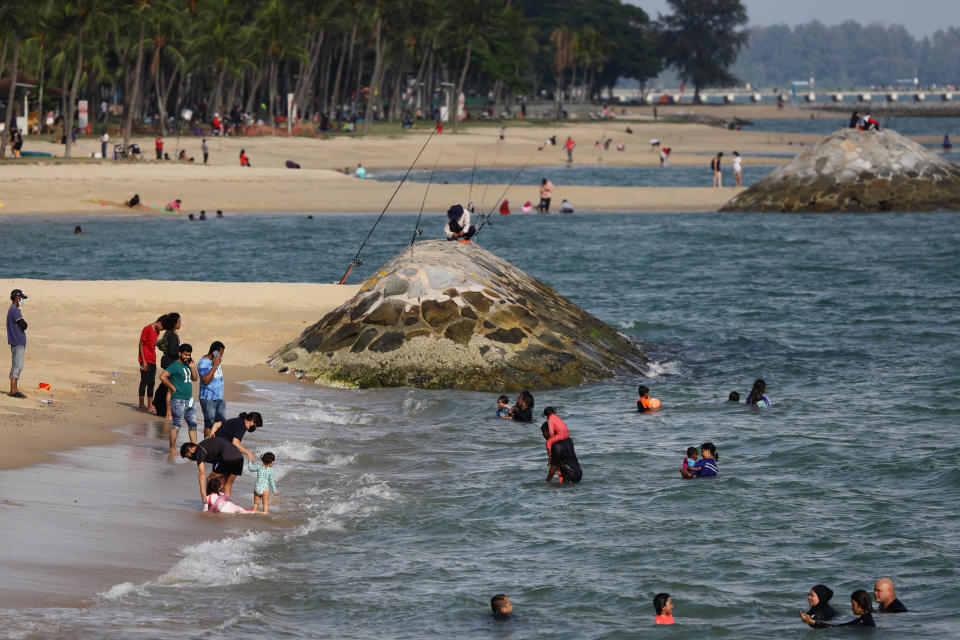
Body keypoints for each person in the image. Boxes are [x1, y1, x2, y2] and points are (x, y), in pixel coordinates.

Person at [181, 437, 253, 507]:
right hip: (239, 458)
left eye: (189, 456)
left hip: (227, 458)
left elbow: (202, 473)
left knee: (209, 479)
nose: (191, 458)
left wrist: (203, 494)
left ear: (191, 449)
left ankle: (208, 504)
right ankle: (226, 506)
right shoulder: (206, 446)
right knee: (227, 485)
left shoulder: (199, 450)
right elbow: (216, 459)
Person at [159, 344, 199, 454]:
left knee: (193, 424)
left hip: (189, 400)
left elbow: (195, 378)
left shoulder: (187, 366)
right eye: (185, 354)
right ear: (180, 353)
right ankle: (172, 448)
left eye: (189, 355)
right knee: (177, 424)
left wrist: (192, 367)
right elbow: (162, 376)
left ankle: (194, 449)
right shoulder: (175, 366)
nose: (187, 357)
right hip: (178, 400)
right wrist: (171, 386)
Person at [153, 311, 181, 417]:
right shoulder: (172, 335)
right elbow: (172, 352)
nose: (180, 323)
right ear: (174, 323)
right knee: (169, 387)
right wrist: (180, 353)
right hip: (170, 363)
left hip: (166, 362)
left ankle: (159, 404)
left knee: (165, 386)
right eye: (178, 321)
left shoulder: (168, 333)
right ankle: (163, 409)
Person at [801, 590, 875, 628]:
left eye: (853, 604)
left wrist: (812, 622)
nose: (851, 607)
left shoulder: (862, 621)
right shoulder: (868, 618)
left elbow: (834, 628)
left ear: (861, 604)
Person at [197, 341, 226, 436]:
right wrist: (214, 366)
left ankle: (216, 446)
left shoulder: (215, 361)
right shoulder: (203, 362)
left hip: (219, 398)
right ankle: (207, 446)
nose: (221, 356)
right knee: (209, 424)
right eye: (220, 353)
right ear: (215, 352)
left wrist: (216, 364)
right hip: (208, 398)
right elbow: (205, 381)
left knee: (221, 424)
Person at [137, 315, 164, 412]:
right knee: (144, 381)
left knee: (151, 382)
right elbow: (140, 345)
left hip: (153, 359)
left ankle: (149, 404)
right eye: (162, 327)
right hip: (145, 359)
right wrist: (143, 361)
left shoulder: (157, 331)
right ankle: (141, 404)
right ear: (159, 322)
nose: (162, 329)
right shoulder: (147, 329)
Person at [6, 289, 28, 399]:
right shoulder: (15, 310)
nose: (23, 300)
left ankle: (14, 389)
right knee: (17, 366)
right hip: (17, 341)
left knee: (18, 366)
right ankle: (13, 391)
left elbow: (21, 325)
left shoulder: (13, 310)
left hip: (17, 341)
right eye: (22, 298)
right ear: (17, 298)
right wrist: (23, 325)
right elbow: (23, 325)